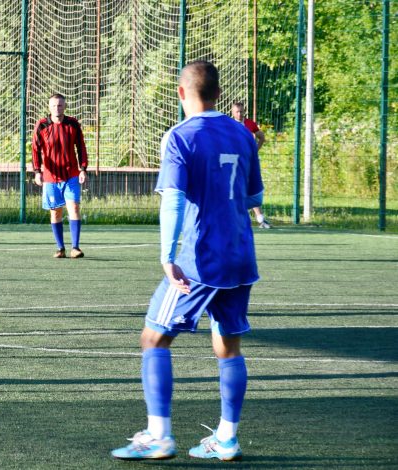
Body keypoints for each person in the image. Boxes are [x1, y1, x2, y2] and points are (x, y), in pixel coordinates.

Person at [111, 61, 264, 462]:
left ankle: (159, 436)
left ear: (182, 93)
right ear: (216, 92)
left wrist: (166, 256)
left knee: (153, 338)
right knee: (228, 345)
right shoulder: (243, 134)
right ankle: (227, 438)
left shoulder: (180, 136)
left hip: (200, 256)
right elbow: (253, 199)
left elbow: (174, 200)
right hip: (240, 254)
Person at [32, 93, 88, 258]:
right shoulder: (42, 125)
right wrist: (37, 171)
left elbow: (81, 147)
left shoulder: (73, 124)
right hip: (50, 177)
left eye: (60, 105)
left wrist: (83, 168)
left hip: (71, 174)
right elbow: (35, 150)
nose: (57, 108)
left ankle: (75, 248)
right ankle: (60, 248)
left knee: (74, 207)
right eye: (54, 105)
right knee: (55, 212)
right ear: (49, 107)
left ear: (65, 106)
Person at [231, 101, 271, 229]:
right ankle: (233, 216)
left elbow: (261, 137)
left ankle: (261, 219)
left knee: (252, 189)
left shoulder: (249, 124)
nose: (239, 114)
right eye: (237, 111)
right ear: (232, 112)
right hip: (234, 163)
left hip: (248, 163)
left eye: (241, 111)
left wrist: (254, 151)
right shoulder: (228, 125)